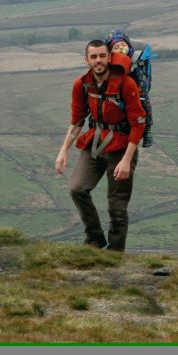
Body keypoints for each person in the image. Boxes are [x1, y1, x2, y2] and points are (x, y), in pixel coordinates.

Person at [55, 38, 147, 251]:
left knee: (117, 206)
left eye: (102, 56)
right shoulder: (82, 84)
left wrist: (126, 161)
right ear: (86, 60)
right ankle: (95, 238)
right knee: (77, 189)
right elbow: (77, 120)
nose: (99, 60)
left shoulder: (125, 83)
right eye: (94, 56)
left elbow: (137, 124)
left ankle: (115, 254)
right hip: (94, 143)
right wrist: (63, 151)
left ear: (109, 57)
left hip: (122, 147)